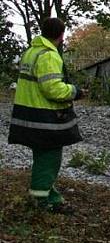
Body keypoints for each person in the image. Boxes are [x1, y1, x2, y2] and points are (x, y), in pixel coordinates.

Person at [8, 17, 83, 214]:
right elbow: (53, 89)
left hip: (26, 115)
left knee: (42, 157)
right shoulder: (49, 55)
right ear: (61, 35)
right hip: (44, 118)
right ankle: (41, 203)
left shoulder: (31, 52)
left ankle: (50, 196)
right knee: (49, 158)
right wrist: (75, 91)